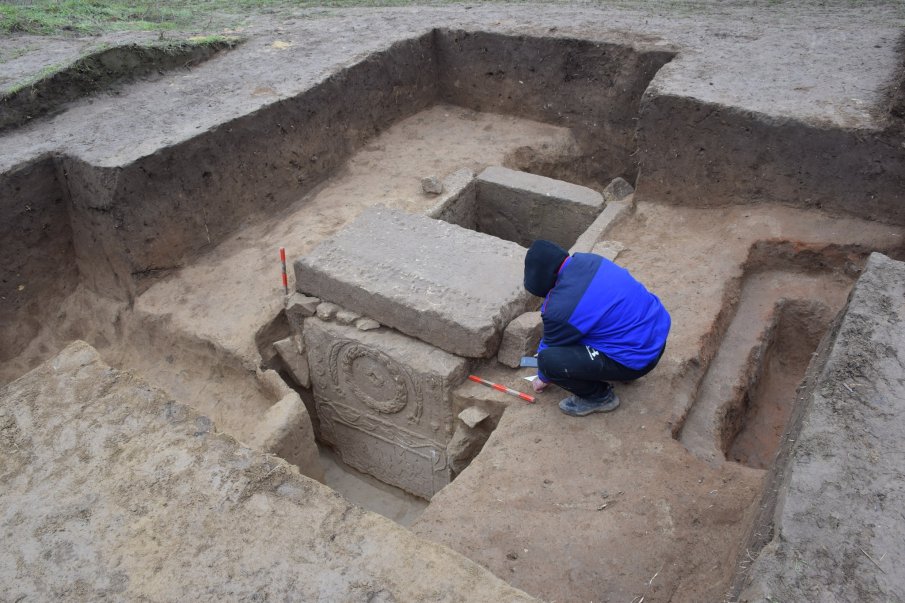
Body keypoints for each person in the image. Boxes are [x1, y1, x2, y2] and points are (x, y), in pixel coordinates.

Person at [523, 239, 670, 417]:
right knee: (585, 328)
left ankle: (599, 397)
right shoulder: (590, 260)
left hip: (638, 359)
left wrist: (544, 376)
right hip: (657, 336)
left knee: (548, 361)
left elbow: (550, 346)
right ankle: (622, 366)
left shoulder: (560, 308)